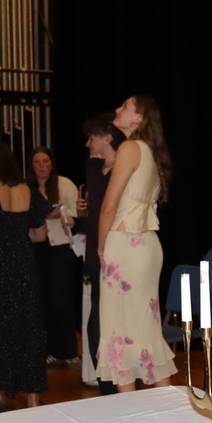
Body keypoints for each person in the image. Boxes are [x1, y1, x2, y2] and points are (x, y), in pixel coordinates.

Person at [95, 95, 176, 391]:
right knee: (145, 331)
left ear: (139, 118)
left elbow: (109, 206)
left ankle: (131, 413)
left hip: (124, 243)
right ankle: (165, 408)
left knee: (119, 332)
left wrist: (102, 246)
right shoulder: (150, 150)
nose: (118, 109)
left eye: (125, 107)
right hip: (147, 244)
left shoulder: (129, 148)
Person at [0, 139, 51, 410]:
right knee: (28, 331)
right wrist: (15, 236)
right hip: (24, 272)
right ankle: (33, 398)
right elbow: (40, 235)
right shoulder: (31, 192)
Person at [74, 113, 126, 396]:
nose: (87, 144)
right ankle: (109, 392)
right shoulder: (103, 173)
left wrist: (92, 167)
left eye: (91, 138)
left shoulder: (114, 171)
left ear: (107, 138)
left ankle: (115, 392)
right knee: (96, 332)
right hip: (99, 261)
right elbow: (99, 218)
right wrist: (81, 217)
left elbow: (112, 213)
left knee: (107, 332)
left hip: (113, 261)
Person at [27, 146, 81, 367]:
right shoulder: (26, 188)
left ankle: (68, 351)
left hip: (60, 247)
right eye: (37, 162)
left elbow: (77, 212)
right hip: (35, 247)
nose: (41, 166)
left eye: (45, 161)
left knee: (61, 301)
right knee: (40, 301)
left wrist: (58, 213)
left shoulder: (64, 184)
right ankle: (45, 350)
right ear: (32, 166)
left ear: (52, 163)